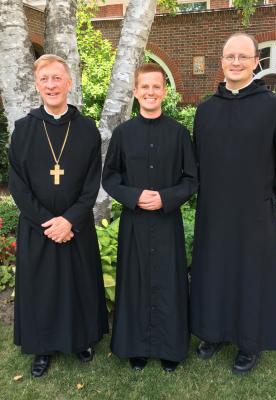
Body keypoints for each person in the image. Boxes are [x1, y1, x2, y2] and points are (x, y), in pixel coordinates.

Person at [190, 32, 276, 375]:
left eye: (242, 57)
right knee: (214, 271)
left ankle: (249, 343)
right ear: (221, 62)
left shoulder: (274, 107)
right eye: (229, 56)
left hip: (254, 209)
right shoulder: (206, 110)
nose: (235, 62)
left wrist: (265, 191)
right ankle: (212, 333)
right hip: (214, 210)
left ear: (255, 62)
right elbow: (198, 159)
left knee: (250, 275)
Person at [9, 54, 108, 377]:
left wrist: (70, 219)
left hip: (75, 226)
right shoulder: (23, 130)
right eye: (45, 79)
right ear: (37, 85)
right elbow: (18, 185)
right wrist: (46, 222)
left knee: (76, 284)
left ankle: (81, 340)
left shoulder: (87, 129)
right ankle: (42, 347)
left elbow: (93, 182)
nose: (51, 85)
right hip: (38, 227)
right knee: (43, 288)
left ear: (68, 82)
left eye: (57, 78)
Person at [102, 63, 197, 372]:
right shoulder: (122, 133)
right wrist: (134, 196)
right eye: (145, 87)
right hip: (135, 223)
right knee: (135, 283)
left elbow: (191, 179)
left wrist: (166, 198)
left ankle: (170, 350)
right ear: (136, 92)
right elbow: (110, 177)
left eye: (156, 87)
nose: (150, 92)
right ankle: (137, 349)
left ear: (164, 91)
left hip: (167, 222)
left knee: (170, 283)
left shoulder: (179, 133)